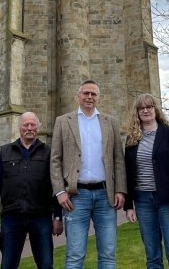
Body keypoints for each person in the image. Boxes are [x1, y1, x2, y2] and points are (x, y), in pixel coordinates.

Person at [50, 80, 127, 269]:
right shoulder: (63, 121)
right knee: (75, 256)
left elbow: (118, 159)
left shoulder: (111, 122)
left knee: (108, 255)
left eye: (93, 94)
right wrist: (60, 192)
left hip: (105, 195)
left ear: (98, 97)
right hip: (76, 197)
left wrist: (120, 190)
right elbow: (55, 160)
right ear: (78, 96)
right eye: (86, 93)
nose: (89, 97)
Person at [0, 112, 63, 269]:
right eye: (26, 125)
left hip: (40, 217)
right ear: (19, 127)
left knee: (46, 264)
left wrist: (58, 217)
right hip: (12, 218)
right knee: (8, 265)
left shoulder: (48, 153)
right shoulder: (5, 152)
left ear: (38, 127)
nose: (29, 128)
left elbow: (56, 187)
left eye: (33, 125)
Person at [123, 93, 169, 269]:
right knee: (152, 256)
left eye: (149, 107)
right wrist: (129, 205)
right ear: (137, 112)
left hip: (167, 201)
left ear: (155, 109)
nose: (146, 110)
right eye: (141, 108)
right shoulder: (132, 138)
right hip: (143, 201)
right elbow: (127, 172)